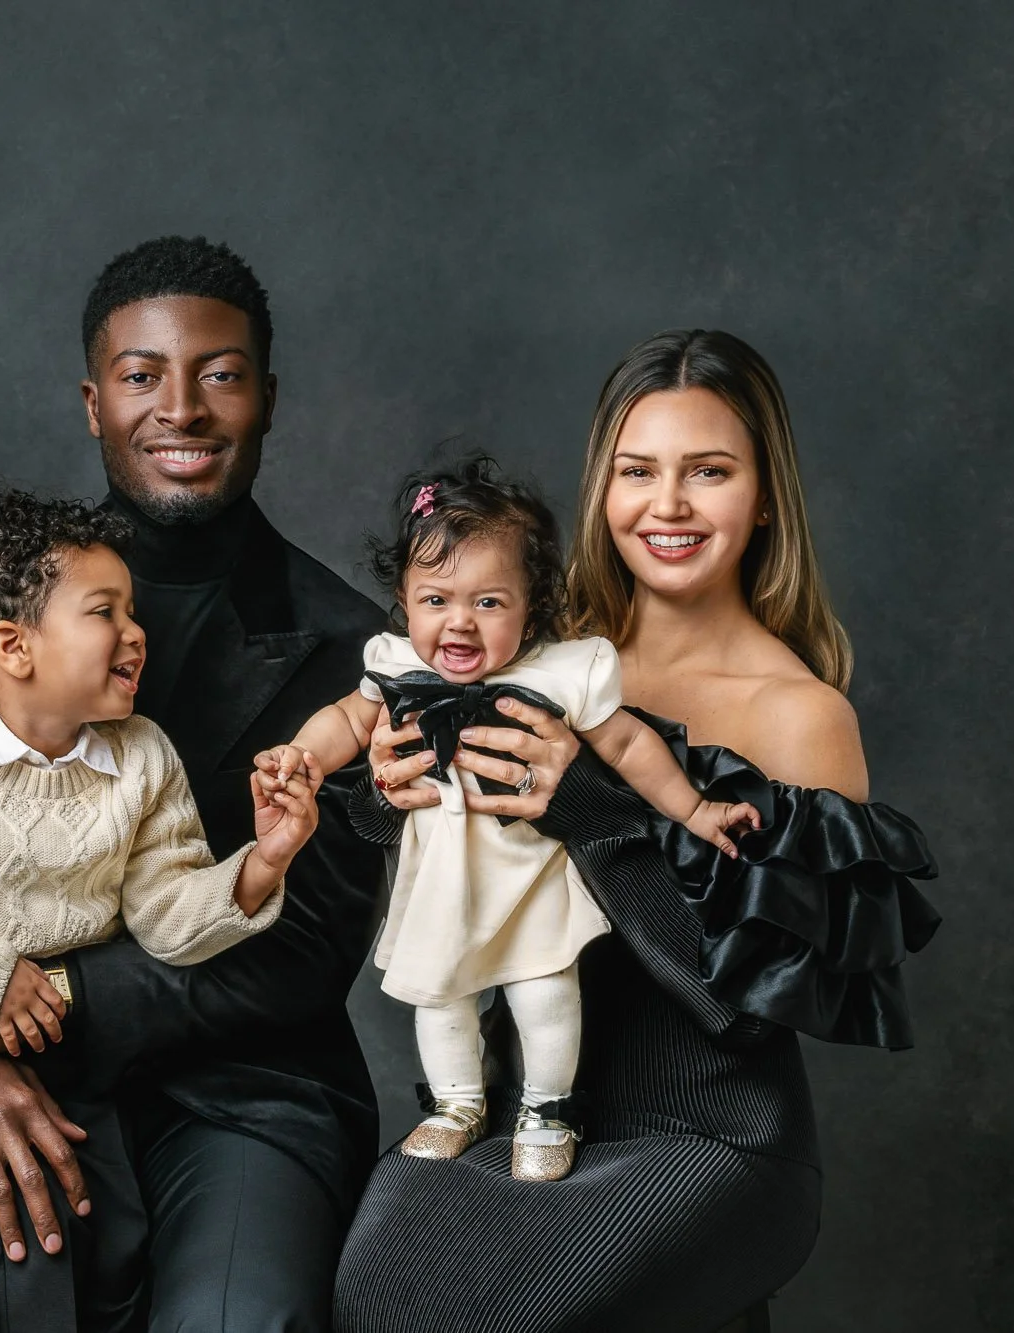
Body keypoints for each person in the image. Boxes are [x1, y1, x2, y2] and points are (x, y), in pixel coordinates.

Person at [0, 236, 390, 1332]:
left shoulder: (354, 654)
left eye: (220, 374)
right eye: (143, 375)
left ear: (269, 400)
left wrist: (12, 1018)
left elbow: (294, 952)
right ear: (94, 403)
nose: (180, 408)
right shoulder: (2, 599)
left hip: (246, 1088)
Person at [332, 330, 941, 1333]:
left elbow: (740, 1008)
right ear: (602, 487)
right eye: (636, 471)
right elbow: (437, 853)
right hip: (536, 1115)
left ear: (764, 495)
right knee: (381, 1285)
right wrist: (382, 787)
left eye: (707, 471)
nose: (665, 505)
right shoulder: (523, 654)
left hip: (713, 1134)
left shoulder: (800, 716)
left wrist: (594, 812)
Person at [255, 458, 759, 1183]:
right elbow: (345, 718)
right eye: (435, 598)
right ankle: (457, 1104)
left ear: (532, 606)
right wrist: (303, 755)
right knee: (443, 994)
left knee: (545, 993)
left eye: (490, 602)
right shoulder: (394, 663)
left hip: (529, 877)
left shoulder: (558, 671)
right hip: (442, 878)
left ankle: (549, 1105)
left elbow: (626, 743)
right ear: (403, 597)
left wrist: (694, 807)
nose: (459, 620)